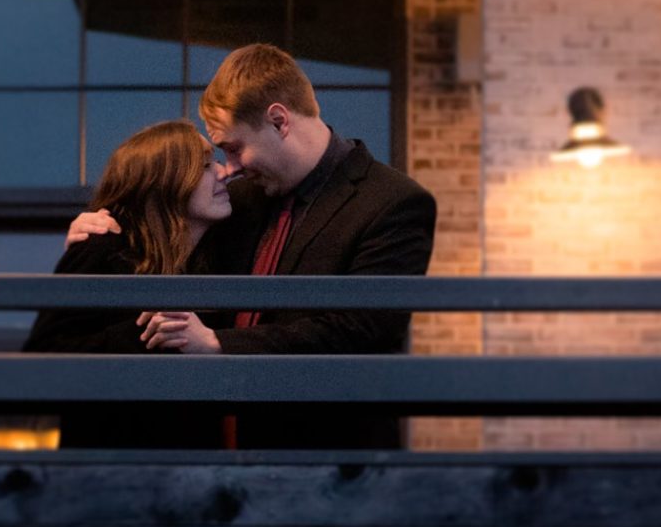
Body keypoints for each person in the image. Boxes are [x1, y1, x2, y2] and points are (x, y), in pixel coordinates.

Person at [65, 43, 437, 450]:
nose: (231, 167)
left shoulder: (393, 202)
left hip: (325, 460)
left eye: (233, 147)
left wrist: (217, 344)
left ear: (279, 121)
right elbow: (171, 257)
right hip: (210, 455)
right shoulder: (236, 203)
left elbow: (360, 329)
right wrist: (95, 241)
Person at [24, 119, 233, 448]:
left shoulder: (216, 257)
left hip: (191, 478)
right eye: (206, 165)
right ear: (168, 181)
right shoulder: (103, 250)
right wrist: (143, 335)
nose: (222, 172)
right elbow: (41, 361)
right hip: (112, 472)